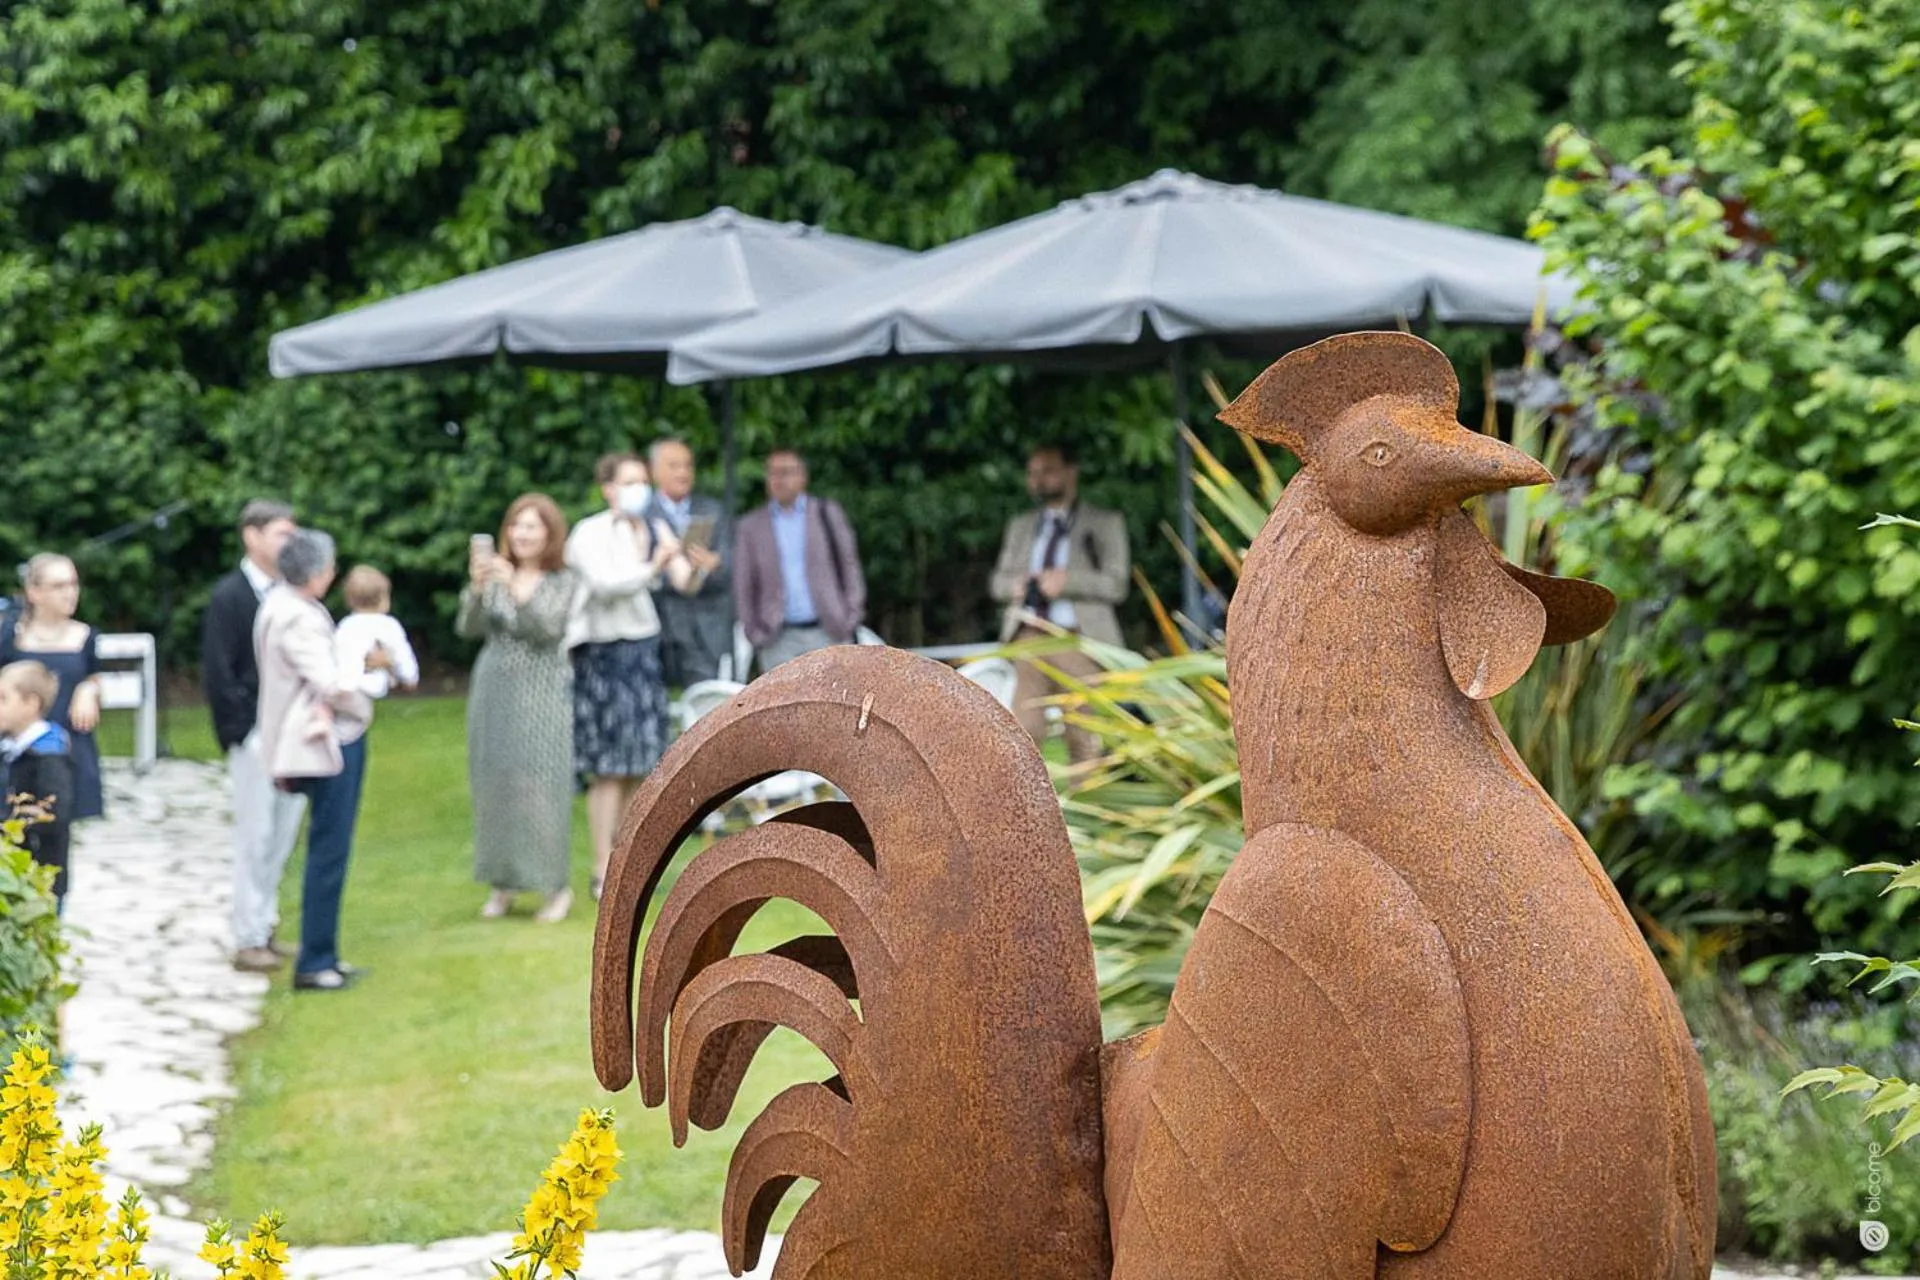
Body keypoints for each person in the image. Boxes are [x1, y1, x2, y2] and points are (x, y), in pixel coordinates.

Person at [565, 452, 694, 901]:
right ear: (608, 488)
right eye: (630, 481)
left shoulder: (650, 527)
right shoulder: (589, 532)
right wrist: (655, 564)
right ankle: (601, 868)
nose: (640, 489)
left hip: (642, 652)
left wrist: (690, 558)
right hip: (602, 655)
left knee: (643, 762)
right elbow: (607, 585)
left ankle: (630, 863)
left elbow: (683, 581)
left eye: (643, 480)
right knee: (608, 768)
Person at [254, 529, 373, 993]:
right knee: (329, 850)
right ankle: (316, 960)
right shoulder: (295, 616)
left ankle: (324, 952)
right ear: (319, 571)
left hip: (309, 739)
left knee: (326, 848)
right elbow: (331, 683)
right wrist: (362, 700)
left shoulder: (280, 605)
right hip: (323, 744)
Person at [458, 494, 580, 922]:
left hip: (542, 691)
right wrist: (477, 588)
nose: (522, 534)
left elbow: (547, 628)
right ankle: (502, 883)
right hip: (494, 688)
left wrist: (514, 585)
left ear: (549, 533)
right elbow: (467, 627)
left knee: (542, 786)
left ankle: (553, 886)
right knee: (495, 784)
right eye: (516, 526)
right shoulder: (492, 575)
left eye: (532, 526)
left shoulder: (562, 579)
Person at [203, 500, 309, 972]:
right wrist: (241, 730)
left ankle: (266, 923)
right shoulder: (230, 597)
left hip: (296, 732)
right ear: (252, 536)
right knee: (255, 832)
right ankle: (246, 933)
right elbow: (219, 670)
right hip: (254, 732)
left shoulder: (296, 592)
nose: (292, 543)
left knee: (284, 831)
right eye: (283, 534)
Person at [989, 443, 1132, 765]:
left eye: (1048, 470)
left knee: (1084, 731)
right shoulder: (1021, 526)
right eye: (1033, 473)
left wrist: (1067, 582)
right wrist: (1015, 586)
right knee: (1023, 731)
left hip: (1078, 639)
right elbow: (996, 582)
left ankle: (1089, 806)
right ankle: (1026, 810)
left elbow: (1117, 584)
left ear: (1071, 472)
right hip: (1028, 636)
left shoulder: (1105, 522)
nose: (1039, 480)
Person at [733, 448, 867, 674]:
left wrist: (850, 616)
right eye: (772, 473)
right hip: (776, 637)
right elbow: (743, 583)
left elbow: (849, 567)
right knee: (782, 706)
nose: (779, 479)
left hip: (828, 630)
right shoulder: (751, 526)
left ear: (803, 476)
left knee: (834, 702)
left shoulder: (825, 513)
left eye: (786, 472)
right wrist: (753, 630)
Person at [0, 554, 103, 822]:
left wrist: (88, 690)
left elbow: (93, 676)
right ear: (34, 592)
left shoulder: (85, 636)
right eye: (59, 586)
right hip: (17, 746)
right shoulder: (12, 635)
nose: (70, 593)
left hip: (67, 744)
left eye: (73, 584)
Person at [645, 437, 734, 686]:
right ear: (654, 471)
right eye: (673, 466)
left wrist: (712, 564)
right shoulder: (641, 513)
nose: (683, 473)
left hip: (706, 630)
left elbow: (731, 563)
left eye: (687, 466)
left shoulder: (713, 510)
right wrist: (669, 572)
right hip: (657, 629)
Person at [0, 661, 75, 911]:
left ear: (31, 704)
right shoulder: (8, 748)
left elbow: (55, 814)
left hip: (39, 872)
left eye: (3, 699)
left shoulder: (48, 755)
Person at [335, 566, 420, 700]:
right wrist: (410, 678)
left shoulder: (346, 626)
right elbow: (402, 655)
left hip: (347, 687)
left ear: (349, 600)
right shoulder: (389, 626)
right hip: (376, 687)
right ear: (383, 600)